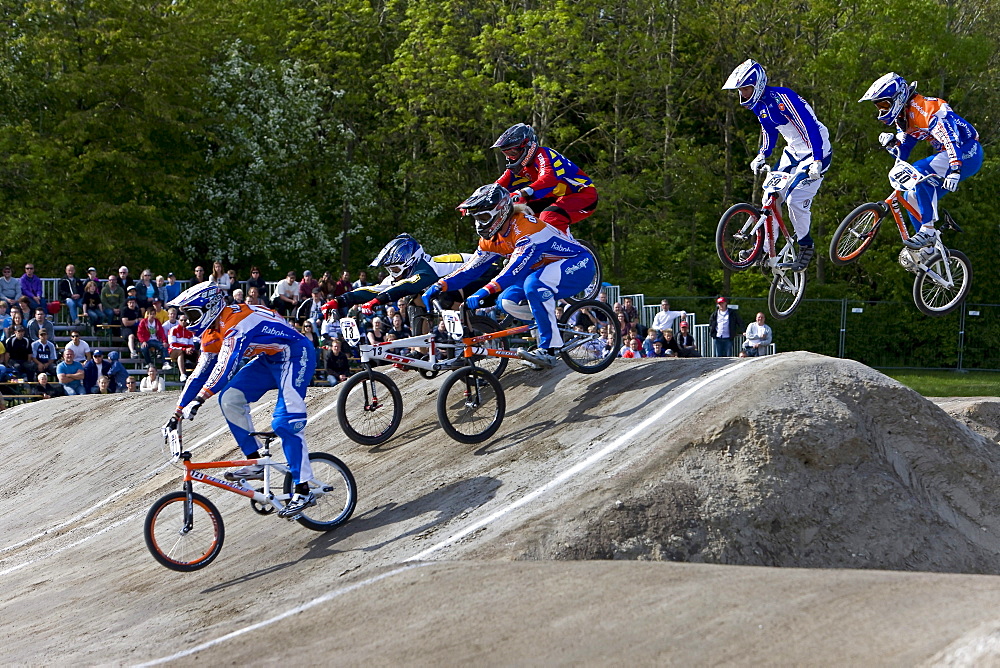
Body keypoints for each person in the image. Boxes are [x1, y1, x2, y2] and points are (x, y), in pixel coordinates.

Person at [165, 282, 319, 518]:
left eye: (192, 314)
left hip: (295, 354)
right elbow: (200, 373)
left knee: (284, 423)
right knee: (230, 398)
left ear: (209, 308)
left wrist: (200, 398)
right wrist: (177, 412)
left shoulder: (237, 324)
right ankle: (255, 462)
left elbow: (225, 368)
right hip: (269, 359)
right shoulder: (212, 331)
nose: (187, 320)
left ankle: (303, 488)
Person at [425, 184, 597, 369]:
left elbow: (513, 270)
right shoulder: (491, 239)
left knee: (534, 285)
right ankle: (547, 327)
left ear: (500, 213)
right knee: (506, 301)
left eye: (483, 217)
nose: (479, 224)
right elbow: (471, 268)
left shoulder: (527, 229)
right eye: (475, 219)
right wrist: (440, 285)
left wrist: (483, 291)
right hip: (544, 270)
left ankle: (549, 350)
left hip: (578, 264)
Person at [723, 59, 831, 272]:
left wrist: (817, 160)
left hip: (816, 149)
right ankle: (762, 249)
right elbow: (769, 130)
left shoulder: (783, 97)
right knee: (770, 195)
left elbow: (810, 126)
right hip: (793, 151)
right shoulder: (759, 105)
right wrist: (763, 154)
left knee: (794, 199)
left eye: (746, 88)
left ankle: (806, 245)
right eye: (741, 90)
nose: (743, 94)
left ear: (758, 84)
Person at [860, 73, 984, 249]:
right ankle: (930, 251)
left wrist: (955, 169)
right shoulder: (904, 116)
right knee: (911, 195)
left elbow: (951, 138)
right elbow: (903, 151)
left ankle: (928, 230)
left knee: (918, 171)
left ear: (899, 97)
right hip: (950, 154)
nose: (881, 110)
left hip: (967, 151)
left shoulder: (926, 110)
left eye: (883, 104)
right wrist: (891, 144)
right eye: (878, 106)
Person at [325, 234, 499, 337]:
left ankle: (468, 337)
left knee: (444, 294)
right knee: (415, 301)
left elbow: (405, 287)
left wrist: (376, 302)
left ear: (410, 262)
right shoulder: (408, 272)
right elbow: (374, 289)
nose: (392, 273)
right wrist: (338, 301)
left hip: (488, 275)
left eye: (394, 268)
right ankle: (421, 350)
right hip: (466, 281)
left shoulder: (426, 270)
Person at [492, 123, 598, 234]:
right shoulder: (520, 168)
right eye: (506, 154)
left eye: (512, 153)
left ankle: (567, 248)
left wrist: (520, 192)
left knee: (550, 216)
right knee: (515, 214)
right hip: (554, 197)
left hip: (583, 194)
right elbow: (497, 187)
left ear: (527, 146)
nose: (509, 158)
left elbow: (548, 179)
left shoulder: (544, 155)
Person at [168, 313, 195, 381]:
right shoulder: (173, 330)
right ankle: (182, 374)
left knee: (197, 353)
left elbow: (191, 344)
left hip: (185, 350)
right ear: (178, 320)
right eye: (181, 320)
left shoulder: (189, 331)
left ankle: (198, 373)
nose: (183, 322)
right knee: (180, 353)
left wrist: (190, 349)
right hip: (174, 351)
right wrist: (184, 349)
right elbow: (172, 344)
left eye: (185, 320)